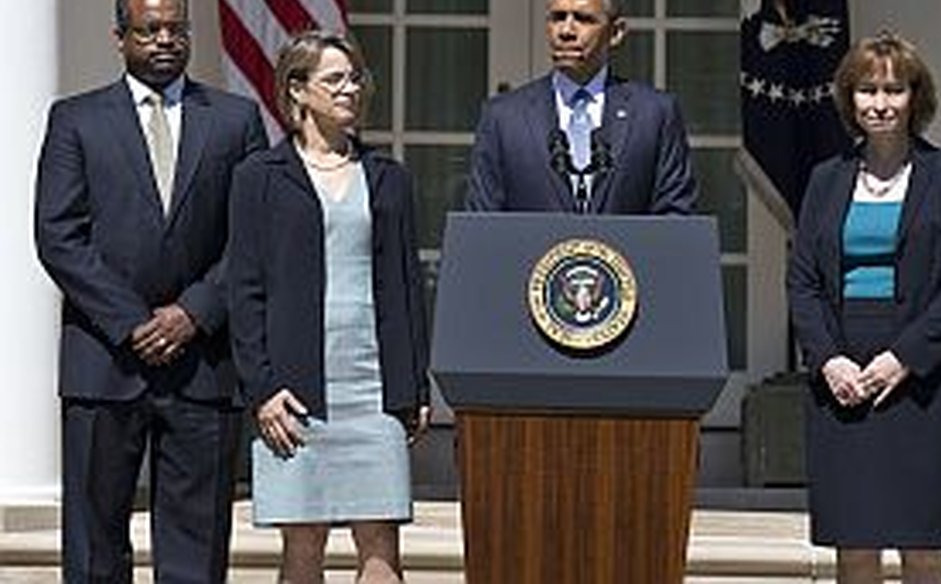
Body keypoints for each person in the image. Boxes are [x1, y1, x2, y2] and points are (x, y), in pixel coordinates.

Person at [33, 0, 267, 580]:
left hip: (203, 366)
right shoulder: (75, 119)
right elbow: (58, 235)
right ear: (120, 38)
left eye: (175, 30)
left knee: (196, 547)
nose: (164, 40)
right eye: (149, 30)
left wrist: (194, 312)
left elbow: (256, 233)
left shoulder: (236, 120)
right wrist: (134, 323)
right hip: (104, 362)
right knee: (95, 548)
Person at [227, 30, 431, 584]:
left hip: (373, 388)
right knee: (304, 542)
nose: (350, 89)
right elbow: (243, 291)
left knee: (381, 542)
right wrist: (261, 388)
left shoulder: (388, 178)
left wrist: (412, 386)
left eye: (355, 78)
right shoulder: (257, 179)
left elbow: (406, 288)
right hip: (293, 392)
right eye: (334, 79)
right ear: (298, 91)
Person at [788, 31, 941, 583]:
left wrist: (902, 358)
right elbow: (802, 281)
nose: (879, 103)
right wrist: (829, 360)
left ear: (915, 98)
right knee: (854, 546)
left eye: (894, 90)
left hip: (925, 379)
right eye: (867, 90)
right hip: (842, 378)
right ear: (849, 99)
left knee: (920, 546)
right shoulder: (825, 181)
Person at [465, 0, 697, 214]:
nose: (566, 31)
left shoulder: (654, 114)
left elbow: (675, 216)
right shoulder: (503, 117)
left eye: (583, 19)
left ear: (616, 33)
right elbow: (482, 221)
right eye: (557, 17)